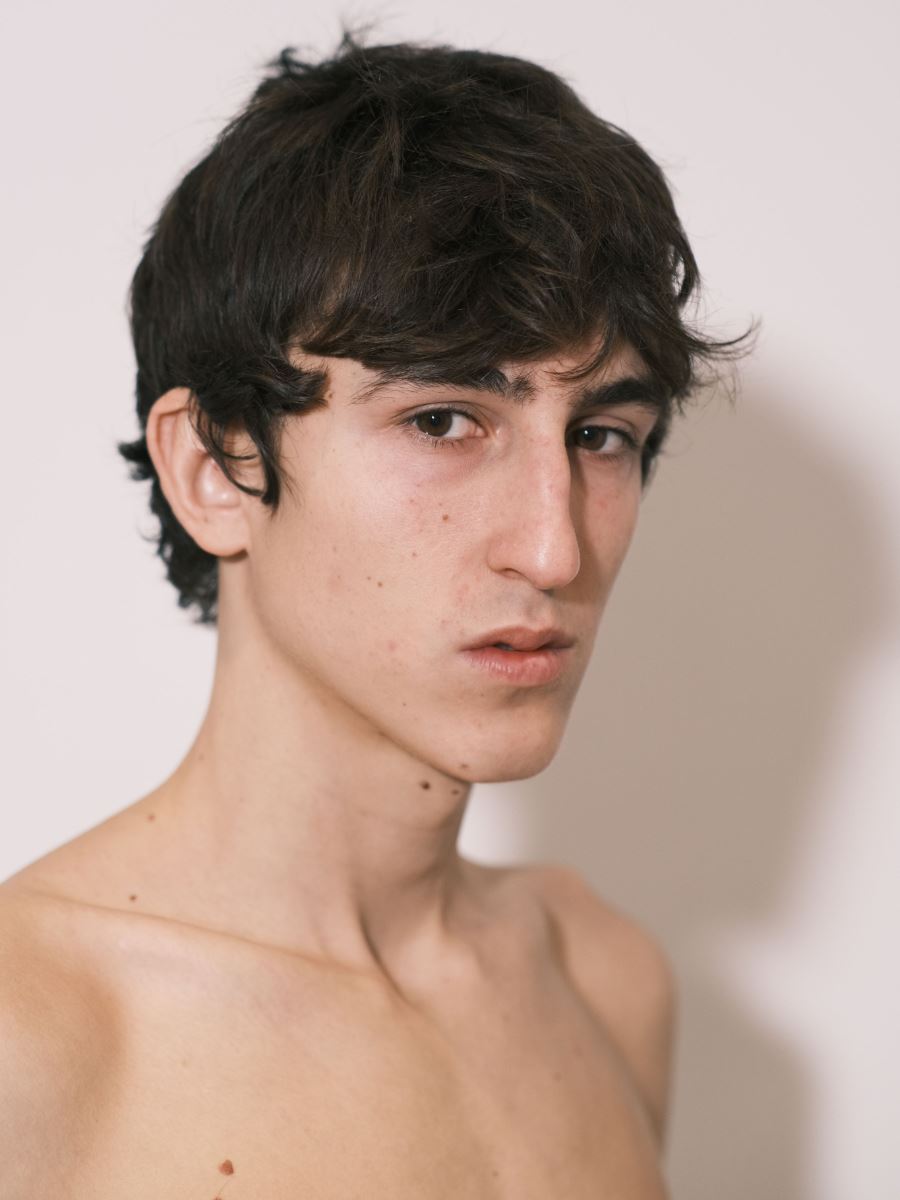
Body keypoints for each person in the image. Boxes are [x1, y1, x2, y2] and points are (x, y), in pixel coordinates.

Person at [1, 33, 749, 1197]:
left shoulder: (604, 978)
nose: (554, 548)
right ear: (214, 468)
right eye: (444, 421)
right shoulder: (33, 1042)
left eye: (602, 436)